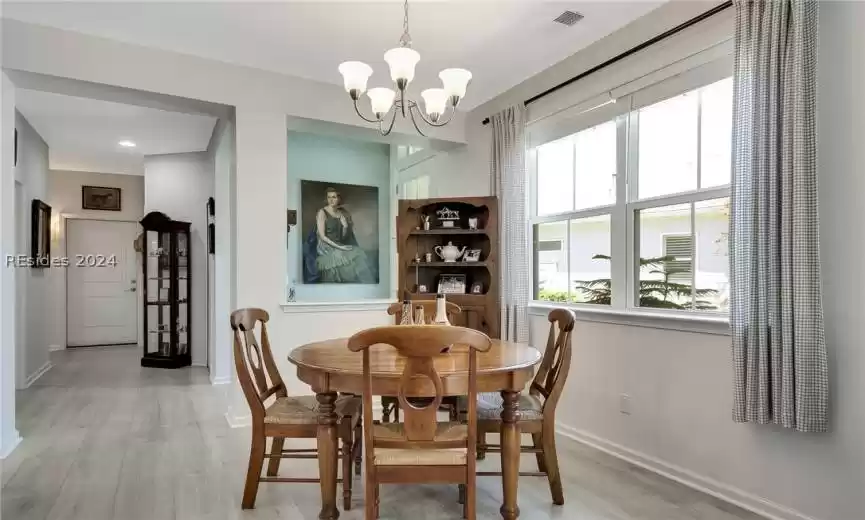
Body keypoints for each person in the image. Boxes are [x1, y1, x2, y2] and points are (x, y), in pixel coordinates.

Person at [303, 187, 376, 283]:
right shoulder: (322, 212)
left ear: (339, 199)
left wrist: (345, 226)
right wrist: (340, 248)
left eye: (334, 197)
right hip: (325, 247)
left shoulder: (342, 213)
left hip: (338, 244)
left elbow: (343, 238)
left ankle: (368, 287)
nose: (331, 200)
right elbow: (322, 236)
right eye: (329, 197)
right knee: (343, 255)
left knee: (358, 253)